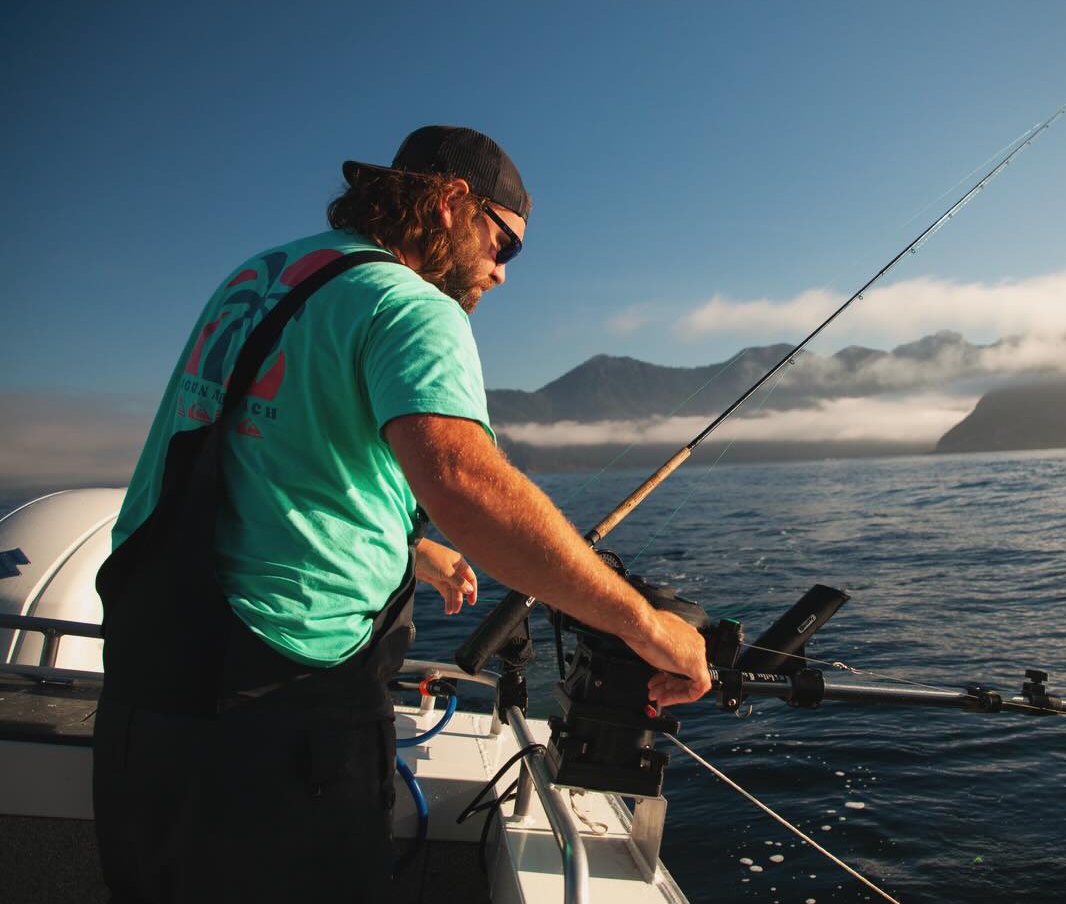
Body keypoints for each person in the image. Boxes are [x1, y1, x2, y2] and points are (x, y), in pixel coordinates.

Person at [92, 126, 711, 903]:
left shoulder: (264, 275)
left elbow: (262, 459)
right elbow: (466, 486)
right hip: (280, 719)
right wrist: (646, 625)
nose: (502, 271)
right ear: (452, 203)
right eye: (503, 243)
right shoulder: (411, 305)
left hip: (143, 702)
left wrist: (414, 549)